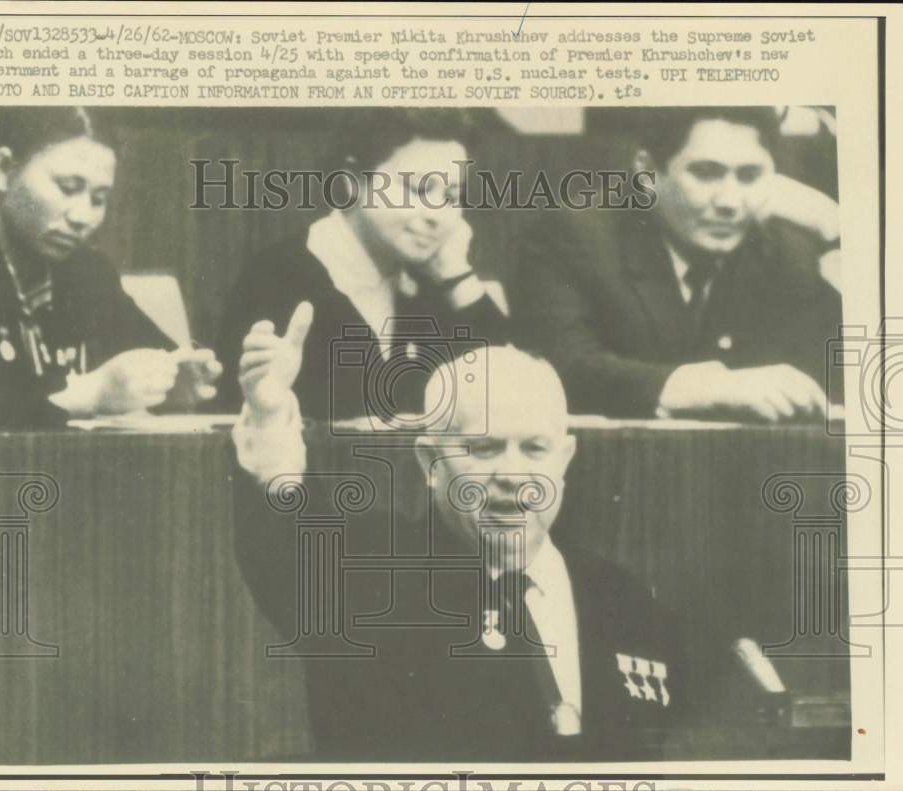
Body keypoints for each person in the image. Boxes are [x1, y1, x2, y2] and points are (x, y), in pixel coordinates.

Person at [231, 318, 698, 761]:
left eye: (534, 449)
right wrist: (269, 422)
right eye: (483, 448)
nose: (513, 476)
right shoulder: (367, 579)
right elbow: (288, 539)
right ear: (431, 460)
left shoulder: (621, 598)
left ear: (565, 458)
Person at [512, 106, 844, 421]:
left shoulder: (787, 248)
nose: (729, 202)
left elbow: (846, 379)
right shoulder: (575, 235)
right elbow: (558, 369)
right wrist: (711, 388)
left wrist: (835, 235)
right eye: (705, 173)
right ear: (646, 172)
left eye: (749, 176)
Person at [213, 108, 510, 422]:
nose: (437, 214)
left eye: (452, 196)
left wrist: (457, 277)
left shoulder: (430, 284)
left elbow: (505, 401)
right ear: (354, 182)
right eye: (420, 190)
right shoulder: (280, 276)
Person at [0, 107, 221, 432]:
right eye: (68, 187)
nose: (83, 217)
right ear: (3, 169)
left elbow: (157, 353)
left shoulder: (89, 273)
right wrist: (89, 394)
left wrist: (174, 384)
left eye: (99, 199)